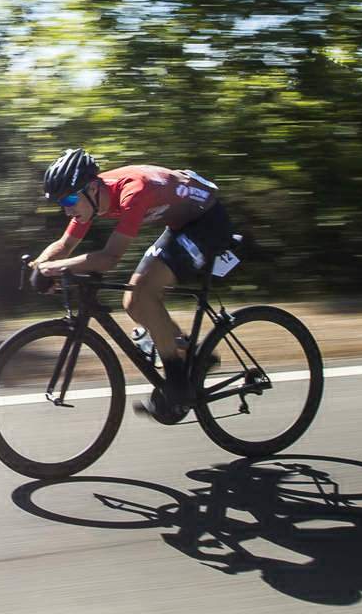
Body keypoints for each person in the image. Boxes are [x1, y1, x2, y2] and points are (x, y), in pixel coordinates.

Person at [29, 148, 237, 421]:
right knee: (133, 302)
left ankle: (177, 382)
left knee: (145, 294)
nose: (67, 209)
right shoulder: (91, 199)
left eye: (69, 199)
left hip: (208, 223)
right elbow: (65, 245)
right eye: (61, 203)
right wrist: (39, 265)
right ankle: (195, 354)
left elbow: (109, 258)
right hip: (181, 223)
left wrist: (54, 269)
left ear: (92, 187)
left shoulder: (133, 192)